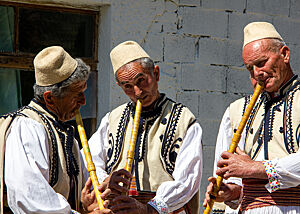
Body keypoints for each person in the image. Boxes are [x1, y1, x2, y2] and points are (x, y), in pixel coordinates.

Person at [85, 40, 203, 214]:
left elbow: (188, 180)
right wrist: (105, 181)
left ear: (156, 73)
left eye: (142, 80)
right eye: (128, 87)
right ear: (119, 86)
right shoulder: (112, 119)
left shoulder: (184, 120)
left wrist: (150, 209)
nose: (138, 92)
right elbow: (89, 162)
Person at [203, 22, 300, 213]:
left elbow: (250, 168)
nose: (257, 73)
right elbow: (235, 176)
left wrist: (256, 168)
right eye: (249, 69)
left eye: (261, 63)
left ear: (285, 54)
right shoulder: (236, 111)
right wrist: (230, 192)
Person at [0, 46, 110, 214]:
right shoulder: (27, 128)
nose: (83, 102)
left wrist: (85, 205)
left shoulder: (66, 135)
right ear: (50, 98)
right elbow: (31, 200)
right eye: (76, 95)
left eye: (84, 92)